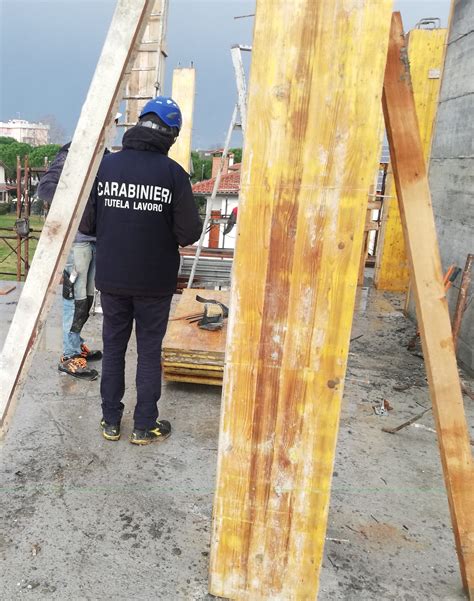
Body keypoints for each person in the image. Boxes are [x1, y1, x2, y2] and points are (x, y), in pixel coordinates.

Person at [79, 96, 202, 445]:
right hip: (155, 282)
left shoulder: (106, 168)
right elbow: (189, 233)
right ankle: (144, 425)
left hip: (113, 278)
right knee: (149, 351)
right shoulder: (174, 175)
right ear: (171, 135)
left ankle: (111, 422)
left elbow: (87, 222)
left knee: (114, 348)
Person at [36, 115, 120, 380]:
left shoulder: (105, 155)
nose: (111, 130)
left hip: (96, 239)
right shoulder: (72, 153)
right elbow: (46, 188)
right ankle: (69, 356)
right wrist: (76, 206)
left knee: (86, 297)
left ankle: (76, 343)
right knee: (74, 299)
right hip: (78, 241)